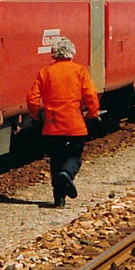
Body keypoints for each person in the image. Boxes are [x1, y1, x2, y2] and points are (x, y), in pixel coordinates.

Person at [27, 36, 100, 208]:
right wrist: (93, 114)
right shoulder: (80, 71)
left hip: (52, 125)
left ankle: (59, 199)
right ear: (72, 53)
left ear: (54, 54)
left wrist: (35, 116)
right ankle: (67, 173)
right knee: (74, 156)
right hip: (75, 124)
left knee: (56, 160)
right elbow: (90, 95)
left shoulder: (45, 72)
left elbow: (32, 98)